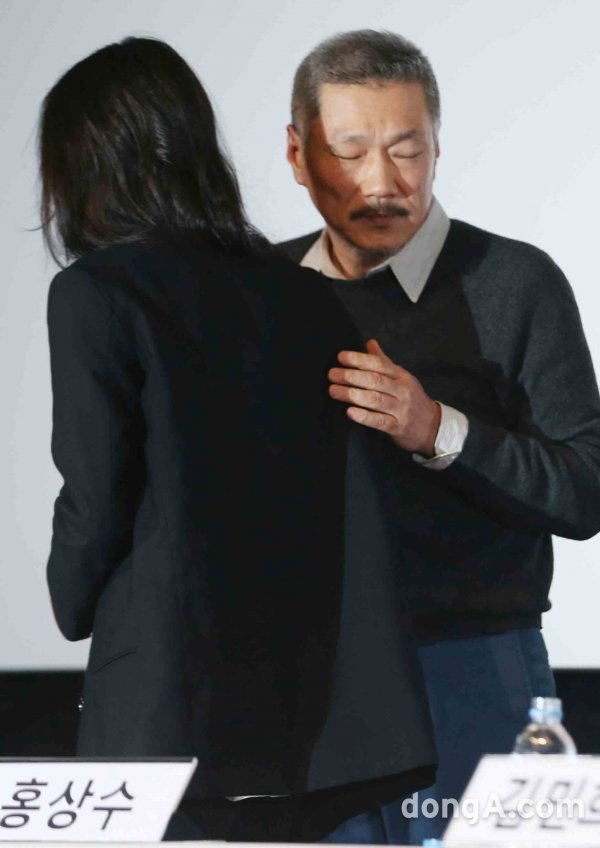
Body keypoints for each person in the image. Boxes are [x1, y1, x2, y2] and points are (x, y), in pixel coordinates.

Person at [41, 36, 436, 843]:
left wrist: (69, 600)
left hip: (166, 698)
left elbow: (95, 493)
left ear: (86, 161)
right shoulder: (305, 297)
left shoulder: (96, 292)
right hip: (303, 708)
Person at [279, 29, 600, 843]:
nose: (383, 182)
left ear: (437, 148)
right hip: (307, 681)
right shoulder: (261, 293)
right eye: (350, 151)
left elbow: (586, 490)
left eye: (408, 150)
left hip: (475, 668)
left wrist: (438, 431)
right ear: (297, 156)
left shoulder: (514, 280)